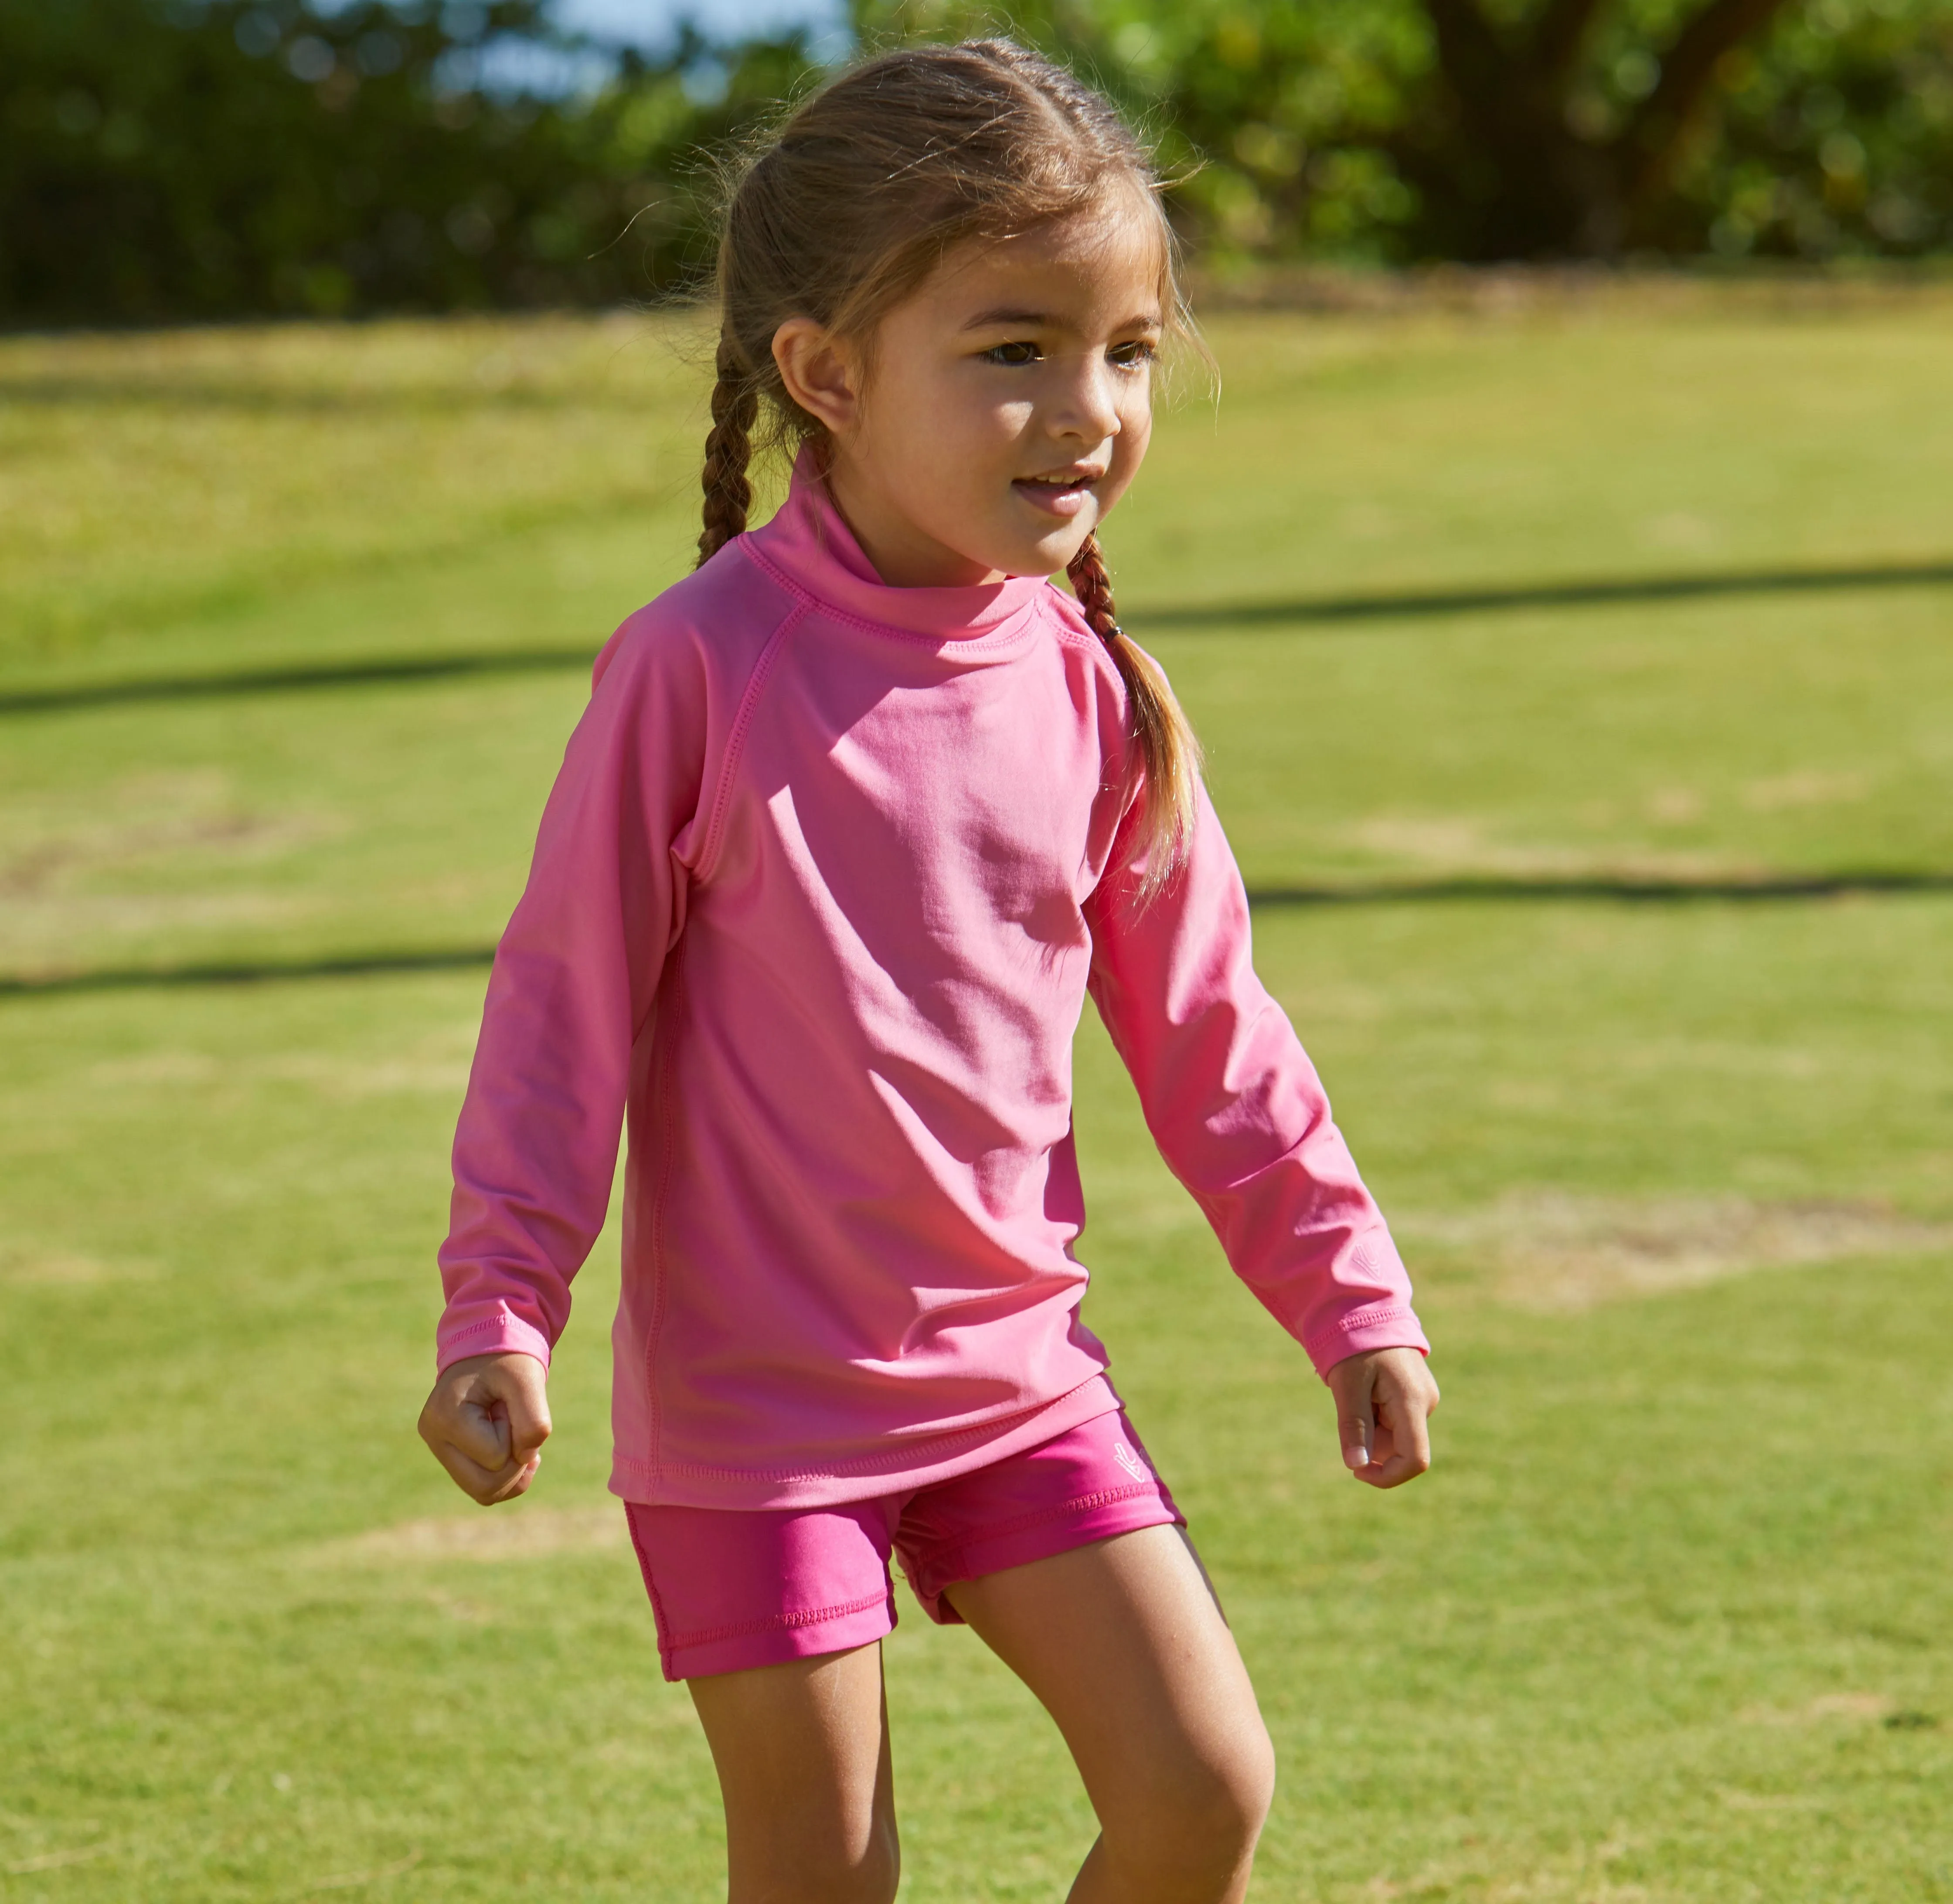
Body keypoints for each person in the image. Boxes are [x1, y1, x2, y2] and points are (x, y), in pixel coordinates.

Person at [417, 39, 1439, 1904]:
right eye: (1013, 349)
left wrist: (1347, 1296)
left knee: (1202, 1788)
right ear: (824, 372)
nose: (1089, 409)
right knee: (823, 1877)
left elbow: (1215, 1037)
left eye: (1127, 351)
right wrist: (503, 1304)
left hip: (1019, 1384)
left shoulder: (1095, 694)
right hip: (753, 1427)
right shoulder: (699, 669)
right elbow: (560, 1012)